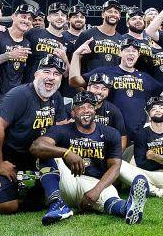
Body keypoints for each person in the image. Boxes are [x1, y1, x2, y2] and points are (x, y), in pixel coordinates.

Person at [29, 91, 149, 225]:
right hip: (67, 181)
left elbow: (115, 166)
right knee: (47, 153)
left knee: (110, 197)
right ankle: (57, 204)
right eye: (81, 107)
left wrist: (96, 191)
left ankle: (128, 209)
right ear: (73, 113)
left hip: (93, 182)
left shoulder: (110, 133)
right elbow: (36, 146)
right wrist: (66, 153)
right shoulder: (62, 130)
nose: (86, 110)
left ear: (95, 112)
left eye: (90, 107)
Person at [0, 55, 69, 217]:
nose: (51, 77)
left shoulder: (56, 98)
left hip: (27, 155)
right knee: (6, 205)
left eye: (57, 74)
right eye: (47, 71)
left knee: (46, 155)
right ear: (36, 74)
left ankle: (33, 193)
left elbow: (61, 130)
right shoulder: (19, 94)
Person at [72, 38, 163, 138]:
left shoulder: (145, 77)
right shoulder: (105, 72)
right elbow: (75, 82)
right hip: (109, 132)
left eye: (134, 51)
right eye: (127, 50)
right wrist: (76, 55)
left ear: (138, 55)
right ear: (120, 53)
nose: (131, 53)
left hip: (137, 134)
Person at [0, 4, 35, 94]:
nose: (26, 21)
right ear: (13, 16)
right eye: (23, 17)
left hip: (15, 95)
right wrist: (9, 55)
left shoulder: (27, 43)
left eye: (30, 19)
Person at [71, 0, 124, 74]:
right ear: (102, 14)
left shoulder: (121, 40)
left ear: (119, 16)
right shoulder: (87, 35)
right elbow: (75, 61)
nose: (113, 14)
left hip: (113, 83)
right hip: (91, 83)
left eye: (116, 12)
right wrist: (79, 84)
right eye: (109, 11)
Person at [84, 73, 128, 149]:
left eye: (104, 89)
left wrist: (116, 156)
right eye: (96, 87)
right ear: (88, 88)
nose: (100, 92)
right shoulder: (76, 107)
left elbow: (122, 137)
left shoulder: (114, 111)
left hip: (104, 154)